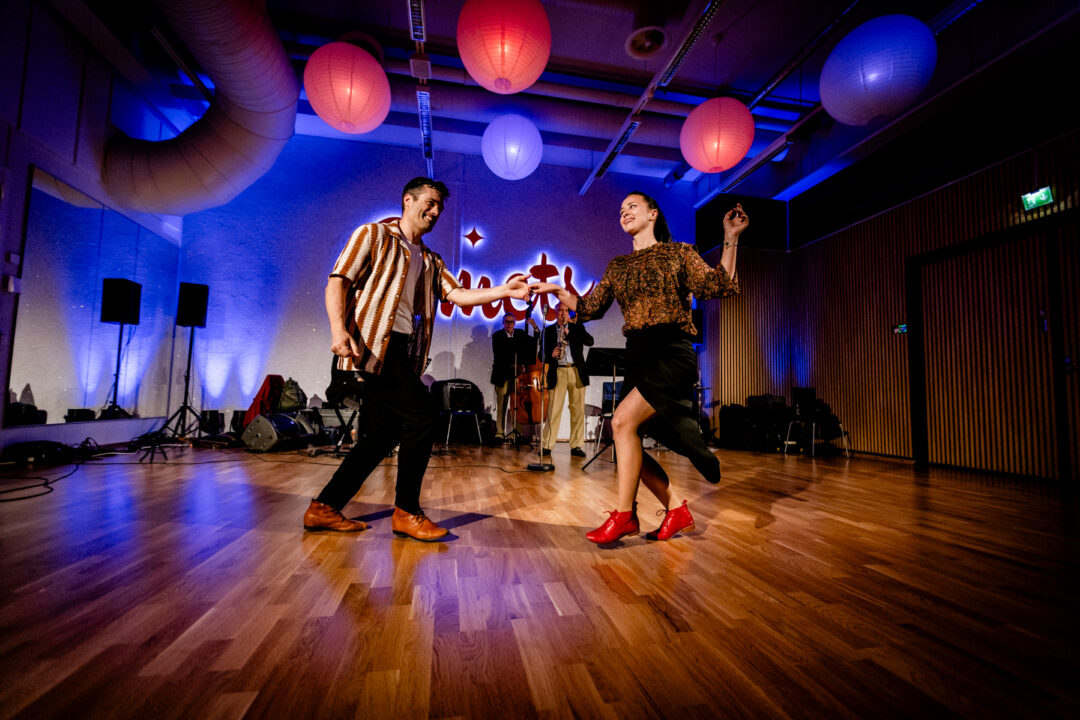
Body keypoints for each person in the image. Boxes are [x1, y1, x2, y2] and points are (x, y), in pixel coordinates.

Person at [304, 177, 529, 541]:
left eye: (440, 206)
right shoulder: (373, 235)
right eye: (430, 202)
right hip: (373, 346)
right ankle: (407, 511)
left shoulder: (429, 258)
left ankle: (324, 508)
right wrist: (337, 331)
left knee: (379, 437)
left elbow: (457, 295)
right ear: (407, 200)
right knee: (423, 418)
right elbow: (338, 281)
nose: (435, 211)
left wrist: (505, 289)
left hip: (401, 351)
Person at [530, 192, 746, 544]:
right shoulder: (618, 266)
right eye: (621, 210)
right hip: (639, 355)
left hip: (671, 353)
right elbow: (589, 308)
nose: (624, 213)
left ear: (653, 214)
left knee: (620, 423)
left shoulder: (679, 253)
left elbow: (717, 285)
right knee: (625, 438)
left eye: (632, 207)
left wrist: (731, 238)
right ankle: (676, 510)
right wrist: (556, 288)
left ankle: (625, 516)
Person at [539, 303, 594, 458]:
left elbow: (590, 342)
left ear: (568, 313)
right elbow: (540, 356)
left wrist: (570, 334)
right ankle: (547, 445)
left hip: (576, 371)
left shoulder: (577, 328)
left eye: (565, 311)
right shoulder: (548, 331)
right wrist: (551, 355)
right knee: (553, 410)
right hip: (558, 371)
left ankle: (576, 445)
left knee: (577, 411)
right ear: (555, 313)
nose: (563, 313)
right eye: (560, 311)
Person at [490, 313, 538, 440]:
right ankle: (500, 432)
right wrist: (513, 364)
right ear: (503, 323)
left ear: (515, 323)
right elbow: (499, 355)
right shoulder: (497, 336)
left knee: (516, 404)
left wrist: (534, 326)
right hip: (502, 374)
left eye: (511, 322)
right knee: (502, 404)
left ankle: (516, 433)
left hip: (517, 376)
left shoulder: (521, 334)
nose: (509, 324)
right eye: (506, 322)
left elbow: (533, 344)